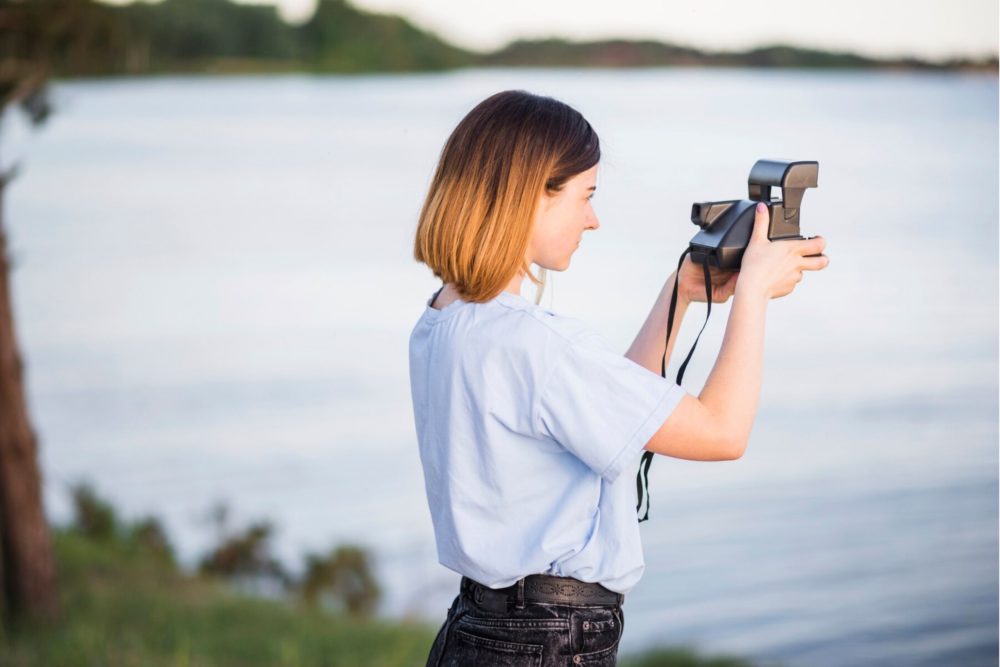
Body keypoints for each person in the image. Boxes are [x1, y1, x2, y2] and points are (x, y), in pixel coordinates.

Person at [408, 89, 829, 667]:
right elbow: (722, 433)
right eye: (585, 196)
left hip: (477, 628)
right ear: (530, 195)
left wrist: (680, 295)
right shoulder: (541, 345)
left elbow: (612, 411)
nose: (593, 219)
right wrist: (753, 292)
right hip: (548, 642)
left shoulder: (441, 320)